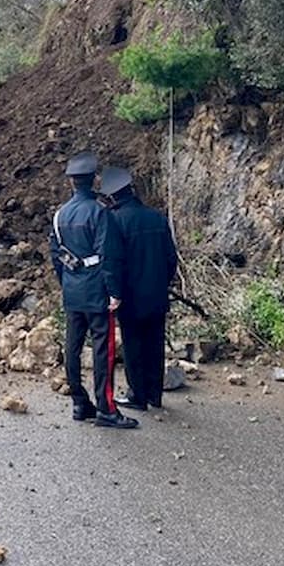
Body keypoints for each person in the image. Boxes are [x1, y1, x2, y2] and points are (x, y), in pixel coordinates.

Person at [49, 152, 138, 429]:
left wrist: (66, 282)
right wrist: (114, 291)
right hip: (97, 289)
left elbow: (56, 254)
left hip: (72, 290)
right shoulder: (100, 212)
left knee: (73, 348)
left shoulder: (60, 214)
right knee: (103, 351)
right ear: (93, 180)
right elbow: (107, 255)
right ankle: (106, 409)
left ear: (72, 183)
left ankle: (79, 402)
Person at [98, 166, 178, 411]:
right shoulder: (157, 217)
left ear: (112, 196)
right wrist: (162, 283)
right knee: (155, 343)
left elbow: (112, 261)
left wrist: (114, 293)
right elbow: (170, 258)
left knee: (133, 345)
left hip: (130, 297)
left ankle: (137, 395)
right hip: (156, 295)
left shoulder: (114, 220)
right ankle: (155, 395)